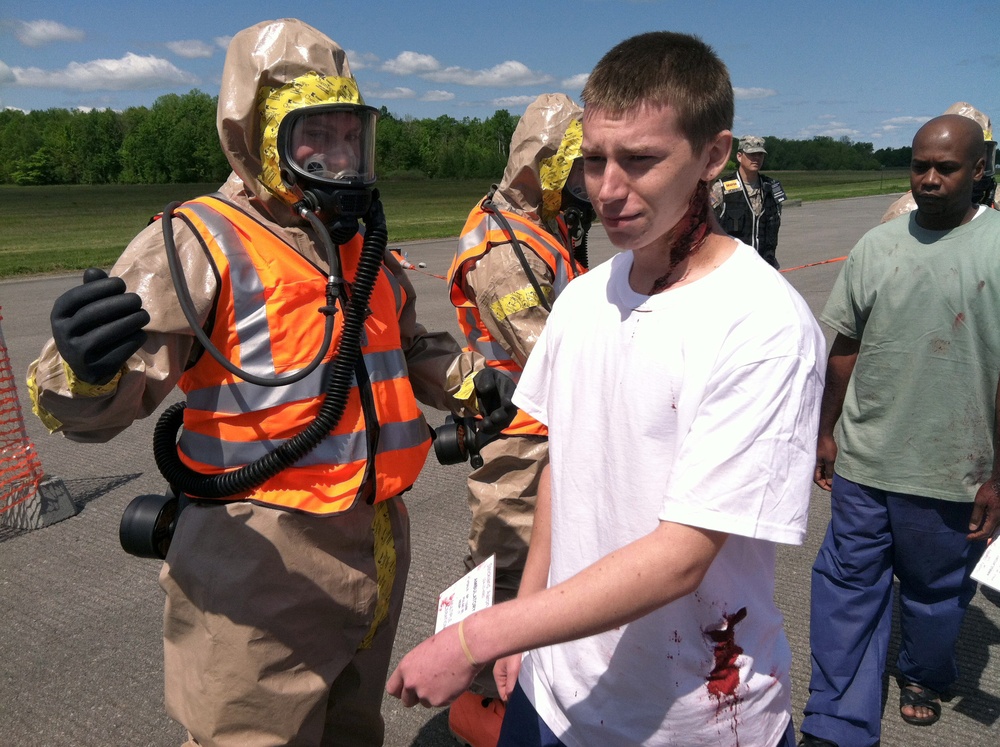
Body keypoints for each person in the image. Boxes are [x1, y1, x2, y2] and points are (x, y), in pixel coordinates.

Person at [27, 19, 514, 747]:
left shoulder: (362, 245)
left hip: (377, 534)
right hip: (262, 552)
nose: (341, 156)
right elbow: (97, 407)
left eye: (352, 135)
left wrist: (475, 384)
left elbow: (406, 347)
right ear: (259, 135)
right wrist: (81, 368)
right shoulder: (202, 238)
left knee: (354, 730)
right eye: (316, 136)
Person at [387, 30, 826, 747]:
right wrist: (525, 628)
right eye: (594, 160)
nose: (609, 188)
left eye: (641, 160)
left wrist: (478, 634)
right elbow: (568, 463)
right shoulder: (586, 298)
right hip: (553, 690)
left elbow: (682, 555)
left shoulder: (763, 323)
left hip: (687, 717)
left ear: (714, 156)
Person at [798, 114, 1000, 747]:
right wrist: (825, 431)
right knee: (846, 585)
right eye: (920, 166)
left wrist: (998, 476)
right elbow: (845, 347)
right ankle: (836, 719)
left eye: (947, 168)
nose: (930, 179)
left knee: (935, 593)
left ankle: (922, 674)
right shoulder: (877, 245)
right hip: (866, 457)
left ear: (980, 172)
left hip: (953, 468)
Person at [443, 92, 591, 745]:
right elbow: (545, 347)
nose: (596, 180)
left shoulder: (539, 226)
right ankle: (481, 703)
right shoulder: (504, 244)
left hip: (542, 427)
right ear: (547, 165)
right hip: (516, 435)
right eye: (583, 166)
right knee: (504, 564)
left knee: (548, 564)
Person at [881, 102, 997, 223]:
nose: (931, 180)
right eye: (947, 167)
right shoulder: (906, 210)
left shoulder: (996, 202)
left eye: (984, 153)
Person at [712, 135, 786, 268]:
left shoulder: (772, 187)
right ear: (739, 156)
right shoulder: (722, 188)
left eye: (760, 154)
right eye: (751, 154)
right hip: (733, 267)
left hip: (766, 266)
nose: (756, 158)